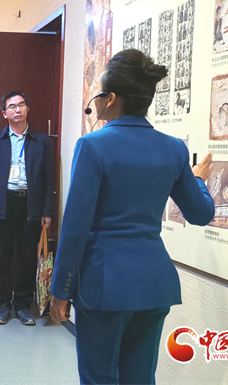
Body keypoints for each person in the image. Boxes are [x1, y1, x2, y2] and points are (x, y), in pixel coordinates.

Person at [50, 49, 215, 384]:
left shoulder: (92, 145)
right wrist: (198, 179)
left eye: (98, 95)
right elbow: (201, 213)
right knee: (140, 379)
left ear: (111, 99)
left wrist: (61, 290)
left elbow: (75, 228)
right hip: (154, 284)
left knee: (99, 378)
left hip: (103, 285)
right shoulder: (174, 148)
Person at [0, 91, 54, 326]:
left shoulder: (41, 141)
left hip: (30, 205)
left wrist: (47, 211)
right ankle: (3, 304)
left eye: (21, 104)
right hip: (3, 204)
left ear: (27, 109)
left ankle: (22, 304)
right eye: (12, 106)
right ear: (4, 113)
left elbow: (48, 180)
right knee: (2, 256)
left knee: (26, 257)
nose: (18, 109)